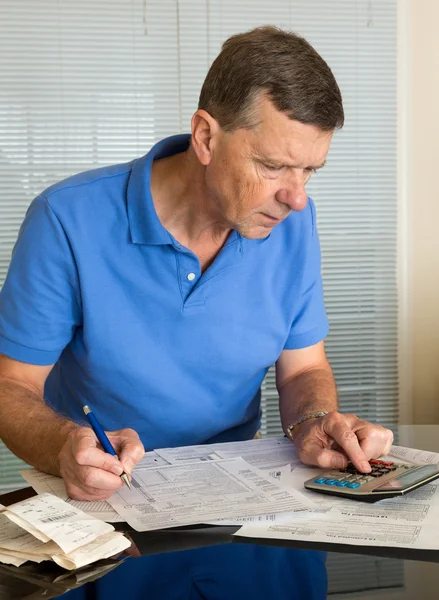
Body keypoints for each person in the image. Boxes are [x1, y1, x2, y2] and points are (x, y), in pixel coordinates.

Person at [0, 26, 393, 599]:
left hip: (244, 520)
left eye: (311, 171)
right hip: (106, 528)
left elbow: (304, 369)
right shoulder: (66, 220)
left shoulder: (292, 223)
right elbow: (11, 387)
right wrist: (66, 444)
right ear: (206, 137)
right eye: (275, 166)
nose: (298, 196)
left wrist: (314, 425)